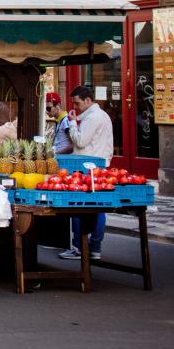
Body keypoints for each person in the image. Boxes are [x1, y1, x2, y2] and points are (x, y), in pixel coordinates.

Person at [60, 85, 114, 262]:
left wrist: (73, 124)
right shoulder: (100, 116)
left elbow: (81, 141)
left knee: (79, 206)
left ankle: (78, 247)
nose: (75, 107)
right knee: (97, 208)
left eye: (77, 103)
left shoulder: (93, 117)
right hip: (98, 165)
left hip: (88, 167)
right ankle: (94, 248)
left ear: (88, 100)